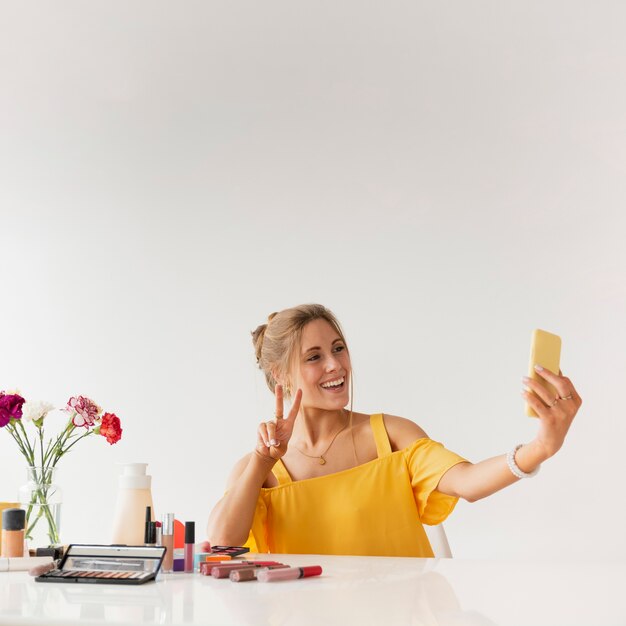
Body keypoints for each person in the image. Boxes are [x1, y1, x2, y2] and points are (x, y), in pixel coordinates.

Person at [206, 304, 581, 557]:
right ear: (279, 375)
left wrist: (541, 447)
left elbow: (467, 482)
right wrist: (261, 461)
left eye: (339, 349)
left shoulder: (390, 436)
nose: (336, 365)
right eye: (314, 356)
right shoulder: (258, 470)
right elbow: (223, 541)